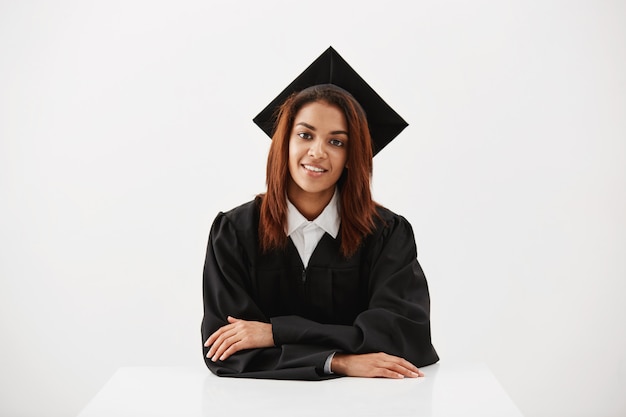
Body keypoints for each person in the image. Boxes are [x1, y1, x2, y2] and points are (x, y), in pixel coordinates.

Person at [201, 47, 439, 380]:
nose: (317, 152)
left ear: (352, 155)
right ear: (284, 141)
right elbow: (226, 351)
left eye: (337, 142)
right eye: (305, 135)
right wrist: (339, 360)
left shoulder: (386, 234)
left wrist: (275, 333)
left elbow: (403, 336)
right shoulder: (235, 232)